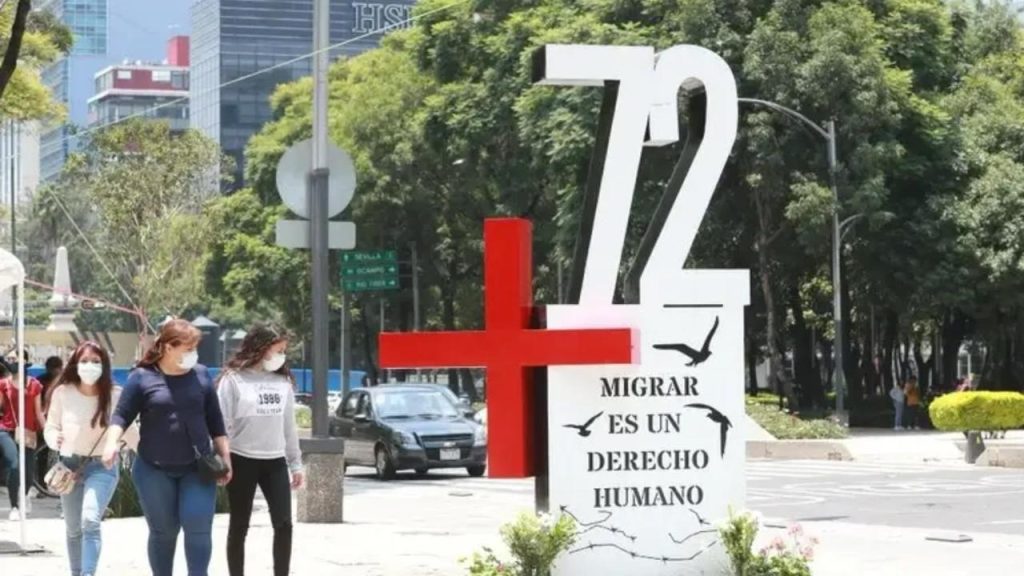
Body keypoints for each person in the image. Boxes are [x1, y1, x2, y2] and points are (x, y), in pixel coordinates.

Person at [102, 319, 231, 576]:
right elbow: (121, 416)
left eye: (195, 347)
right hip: (153, 469)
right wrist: (110, 443)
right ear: (168, 347)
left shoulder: (201, 375)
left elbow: (216, 422)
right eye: (188, 348)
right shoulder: (142, 377)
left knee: (198, 527)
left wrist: (225, 458)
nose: (193, 353)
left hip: (198, 468)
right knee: (164, 532)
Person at [44, 341, 138, 576]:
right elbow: (51, 426)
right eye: (84, 361)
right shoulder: (62, 393)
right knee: (73, 528)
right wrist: (54, 437)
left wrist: (150, 457)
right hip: (69, 466)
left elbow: (131, 432)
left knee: (90, 519)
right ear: (75, 364)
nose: (89, 366)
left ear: (104, 365)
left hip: (102, 467)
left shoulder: (115, 394)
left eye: (96, 361)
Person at [217, 324, 303, 576]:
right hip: (241, 459)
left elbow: (289, 426)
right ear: (262, 348)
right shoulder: (233, 380)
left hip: (275, 461)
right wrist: (224, 459)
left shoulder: (282, 382)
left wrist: (295, 463)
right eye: (278, 350)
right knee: (240, 525)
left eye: (284, 351)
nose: (282, 356)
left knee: (284, 524)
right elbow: (221, 424)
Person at [0, 359, 46, 520]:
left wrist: (48, 432)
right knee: (14, 465)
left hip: (28, 432)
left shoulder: (34, 385)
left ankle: (25, 496)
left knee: (28, 470)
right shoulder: (3, 384)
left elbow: (38, 412)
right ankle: (14, 506)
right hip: (7, 430)